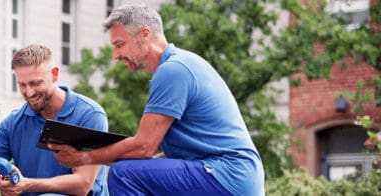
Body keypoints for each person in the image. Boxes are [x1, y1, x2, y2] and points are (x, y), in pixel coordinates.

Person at [47, 2, 265, 196]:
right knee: (135, 169)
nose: (115, 55)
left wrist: (84, 157)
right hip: (230, 175)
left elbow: (143, 147)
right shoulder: (181, 64)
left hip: (227, 173)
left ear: (144, 34)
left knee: (124, 174)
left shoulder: (172, 71)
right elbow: (155, 155)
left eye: (119, 44)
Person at [0, 44, 109, 196]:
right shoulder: (14, 123)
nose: (29, 92)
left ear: (54, 75)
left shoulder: (89, 116)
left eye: (35, 83)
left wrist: (26, 184)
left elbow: (82, 184)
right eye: (22, 85)